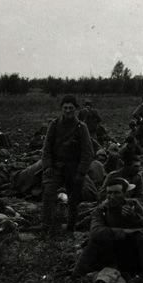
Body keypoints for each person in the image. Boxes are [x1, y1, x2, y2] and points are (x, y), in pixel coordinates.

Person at [74, 177, 143, 283]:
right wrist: (125, 232)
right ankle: (75, 279)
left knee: (142, 235)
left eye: (116, 193)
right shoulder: (101, 210)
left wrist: (136, 219)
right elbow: (95, 232)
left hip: (131, 252)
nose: (112, 196)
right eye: (109, 193)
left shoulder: (133, 205)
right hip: (110, 252)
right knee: (93, 242)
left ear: (124, 194)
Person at [40, 95, 94, 233]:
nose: (68, 111)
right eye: (65, 108)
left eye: (71, 108)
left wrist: (81, 172)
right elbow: (46, 148)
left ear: (75, 109)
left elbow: (87, 152)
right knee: (48, 194)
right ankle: (46, 226)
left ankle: (71, 228)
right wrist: (47, 166)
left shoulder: (81, 127)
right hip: (56, 166)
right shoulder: (54, 124)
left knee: (73, 199)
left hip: (74, 168)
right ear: (61, 108)